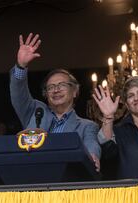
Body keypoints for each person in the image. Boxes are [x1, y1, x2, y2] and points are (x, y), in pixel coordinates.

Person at [10, 33, 101, 170]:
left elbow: (91, 144)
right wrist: (21, 66)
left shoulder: (87, 126)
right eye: (50, 87)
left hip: (66, 184)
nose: (56, 90)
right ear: (46, 94)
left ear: (75, 91)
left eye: (62, 85)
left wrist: (92, 156)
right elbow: (18, 94)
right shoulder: (35, 111)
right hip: (33, 180)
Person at [92, 75, 138, 179]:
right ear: (126, 104)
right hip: (127, 194)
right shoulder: (118, 130)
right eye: (130, 96)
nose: (136, 98)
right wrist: (108, 115)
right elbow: (107, 153)